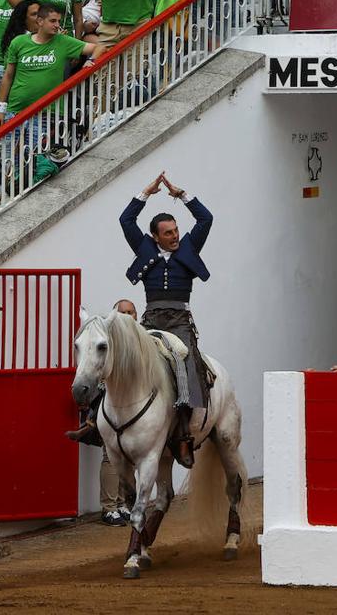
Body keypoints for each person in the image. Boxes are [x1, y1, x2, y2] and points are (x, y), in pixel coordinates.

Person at [119, 171, 213, 467]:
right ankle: (103, 420)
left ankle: (183, 437)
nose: (174, 236)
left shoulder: (188, 247)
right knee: (125, 358)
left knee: (185, 367)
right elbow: (126, 221)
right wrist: (146, 192)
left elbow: (205, 219)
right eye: (168, 233)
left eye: (175, 230)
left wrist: (181, 194)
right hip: (151, 318)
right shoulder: (144, 248)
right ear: (155, 236)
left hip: (180, 320)